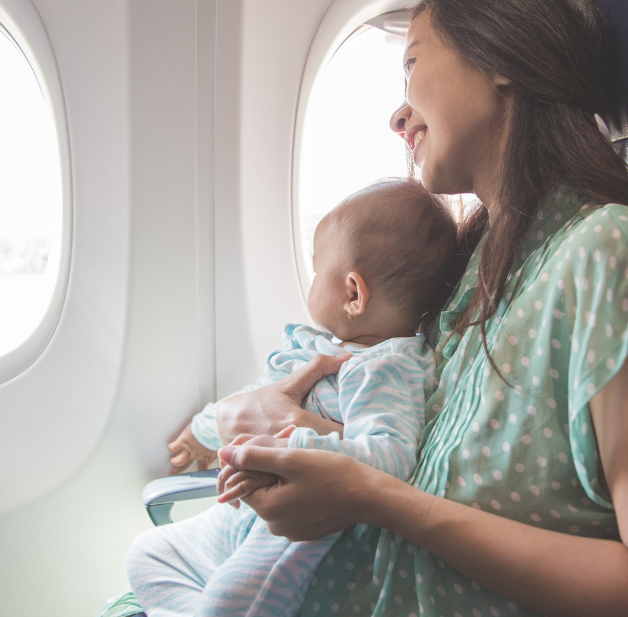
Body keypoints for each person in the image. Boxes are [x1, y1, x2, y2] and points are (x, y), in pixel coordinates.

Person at [208, 0, 628, 615]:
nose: (397, 114)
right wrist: (290, 427)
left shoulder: (609, 255)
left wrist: (371, 496)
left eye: (411, 64)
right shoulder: (475, 272)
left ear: (499, 57)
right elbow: (421, 459)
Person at [125, 180, 468, 617]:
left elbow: (391, 456)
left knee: (225, 607)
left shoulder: (386, 368)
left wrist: (297, 445)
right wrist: (202, 431)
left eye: (315, 269)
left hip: (295, 528)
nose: (311, 279)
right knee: (149, 553)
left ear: (352, 293)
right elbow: (258, 397)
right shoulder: (325, 349)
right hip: (240, 514)